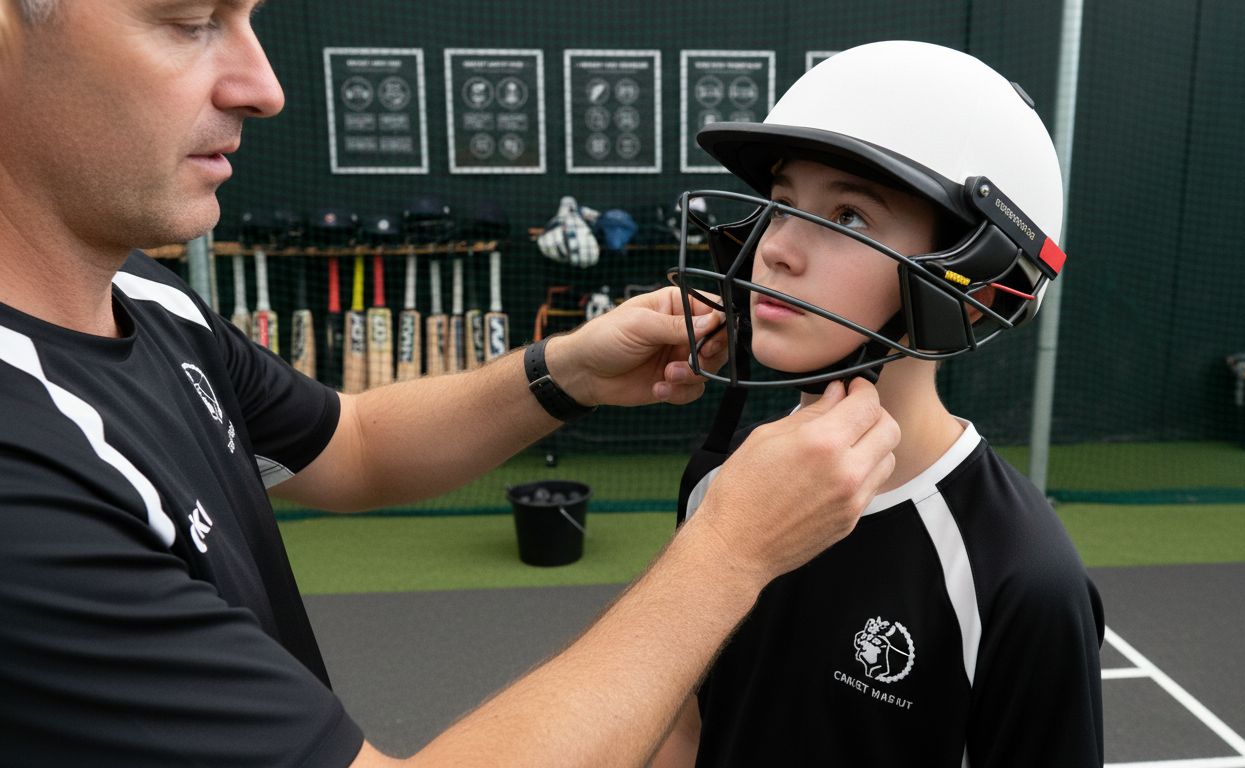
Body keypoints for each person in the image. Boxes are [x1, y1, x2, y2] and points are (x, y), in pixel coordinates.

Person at [0, 2, 903, 766]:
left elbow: (352, 445)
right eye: (190, 21)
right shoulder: (21, 470)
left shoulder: (143, 294)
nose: (263, 86)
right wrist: (731, 551)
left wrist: (567, 371)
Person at [653, 41, 1105, 766]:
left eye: (850, 217)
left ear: (971, 288)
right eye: (781, 203)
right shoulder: (727, 484)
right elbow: (684, 729)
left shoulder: (1020, 575)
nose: (776, 249)